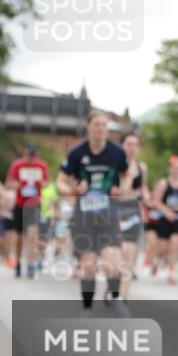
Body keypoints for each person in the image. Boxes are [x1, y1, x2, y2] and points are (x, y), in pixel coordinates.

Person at [56, 110, 131, 311]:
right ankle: (88, 310)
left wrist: (123, 188)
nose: (100, 129)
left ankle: (115, 300)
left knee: (113, 264)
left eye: (104, 125)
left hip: (108, 216)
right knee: (88, 267)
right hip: (84, 218)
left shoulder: (117, 153)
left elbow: (128, 174)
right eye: (96, 124)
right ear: (88, 127)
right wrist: (72, 189)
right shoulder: (77, 153)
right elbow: (60, 182)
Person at [5, 143, 51, 279]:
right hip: (19, 205)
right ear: (24, 154)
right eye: (29, 155)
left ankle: (31, 264)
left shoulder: (42, 165)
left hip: (34, 204)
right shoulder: (17, 165)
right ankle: (18, 264)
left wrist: (44, 184)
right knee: (19, 238)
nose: (31, 158)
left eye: (34, 155)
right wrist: (14, 185)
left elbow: (48, 181)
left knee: (32, 235)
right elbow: (8, 183)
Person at [117, 131, 149, 298]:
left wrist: (148, 198)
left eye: (134, 145)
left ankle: (122, 296)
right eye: (128, 144)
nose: (131, 148)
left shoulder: (141, 167)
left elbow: (143, 189)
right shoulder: (114, 164)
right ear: (122, 145)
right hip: (114, 211)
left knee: (129, 252)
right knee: (116, 254)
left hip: (133, 212)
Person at [153, 156, 178, 284]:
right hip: (165, 219)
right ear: (169, 169)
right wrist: (167, 211)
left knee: (175, 246)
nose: (176, 170)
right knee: (162, 248)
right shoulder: (163, 183)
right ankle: (157, 260)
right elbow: (156, 201)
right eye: (174, 168)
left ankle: (171, 274)